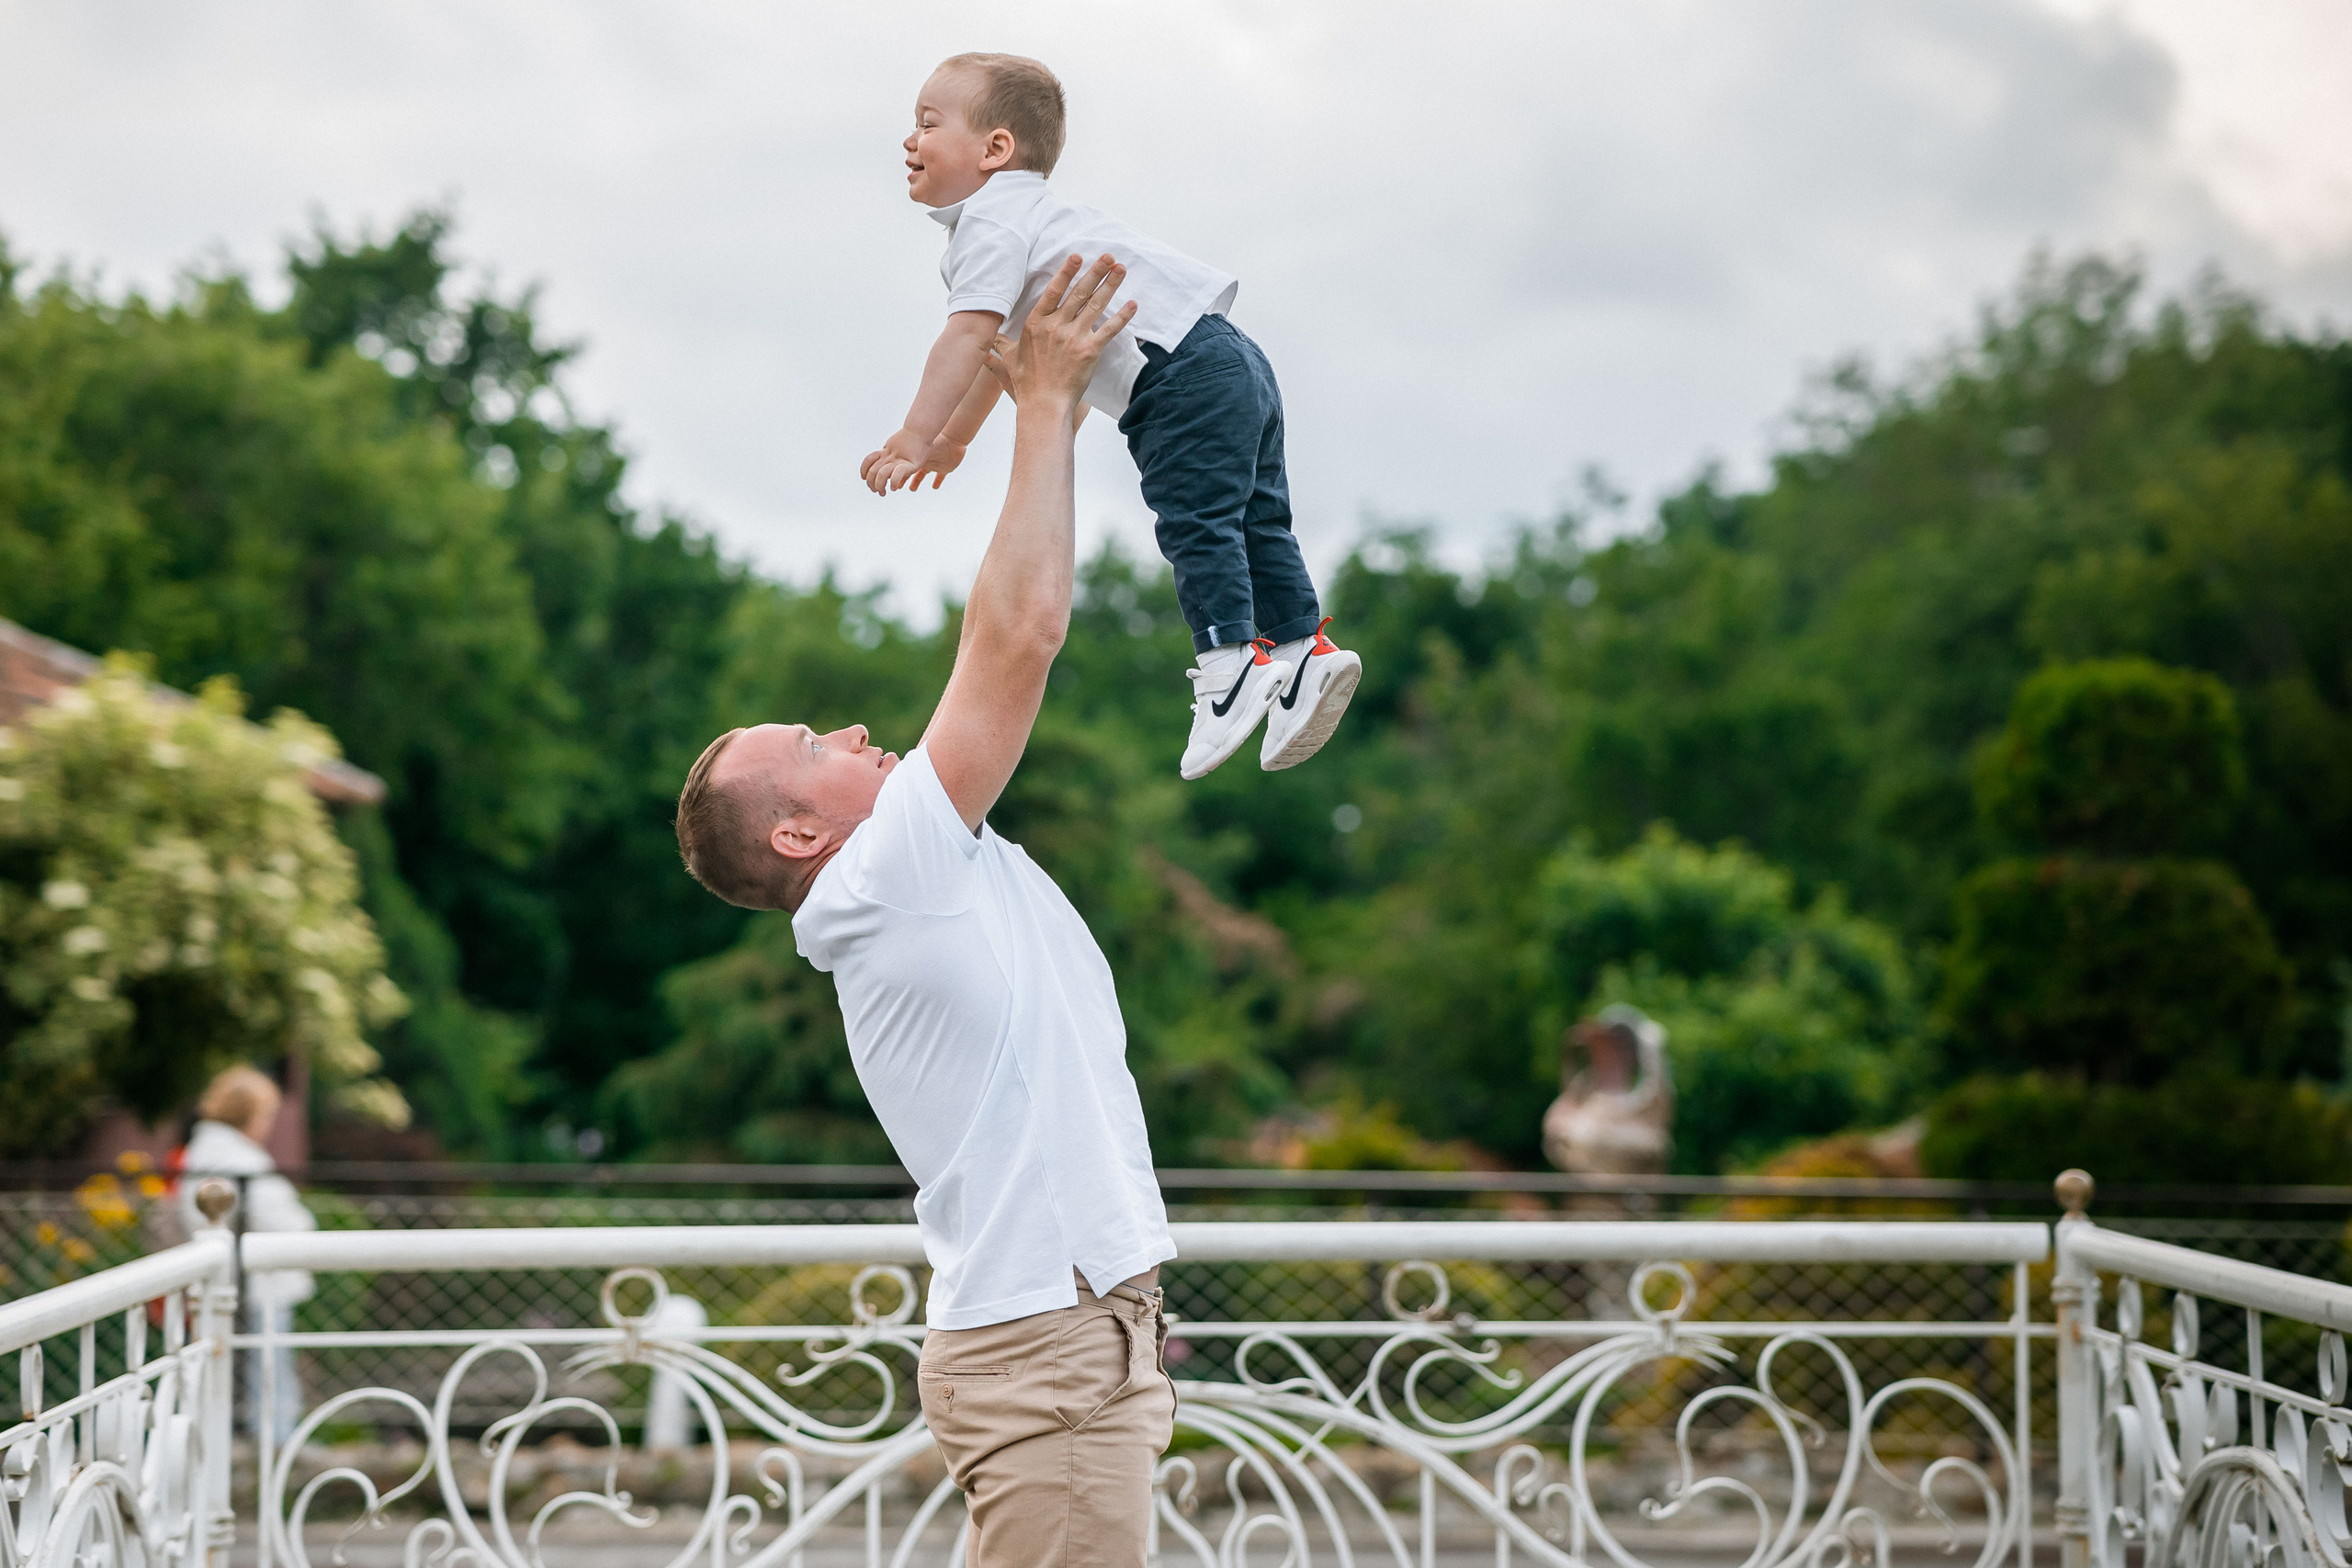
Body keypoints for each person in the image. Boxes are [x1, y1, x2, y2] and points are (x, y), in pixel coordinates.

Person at [677, 255, 1176, 1566]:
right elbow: (1018, 632)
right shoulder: (887, 866)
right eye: (813, 737)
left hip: (1069, 1332)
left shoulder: (908, 873)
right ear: (800, 829)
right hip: (1051, 1351)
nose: (851, 725)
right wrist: (1046, 405)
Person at [862, 51, 1363, 782]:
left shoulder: (990, 219)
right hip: (1233, 357)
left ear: (996, 149)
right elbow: (1005, 353)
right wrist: (952, 442)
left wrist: (915, 435)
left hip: (1178, 377)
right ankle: (1301, 652)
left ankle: (1228, 667)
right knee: (1255, 519)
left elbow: (970, 337)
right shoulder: (1041, 215)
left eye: (928, 124)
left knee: (1195, 520)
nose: (910, 139)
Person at [177, 1064, 317, 1445]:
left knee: (252, 1364)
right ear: (247, 1113)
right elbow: (279, 1219)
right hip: (256, 1281)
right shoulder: (236, 1159)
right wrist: (304, 1228)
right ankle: (277, 1443)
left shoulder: (207, 1151)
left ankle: (262, 1438)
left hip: (236, 1278)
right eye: (266, 1114)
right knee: (267, 1364)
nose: (268, 1124)